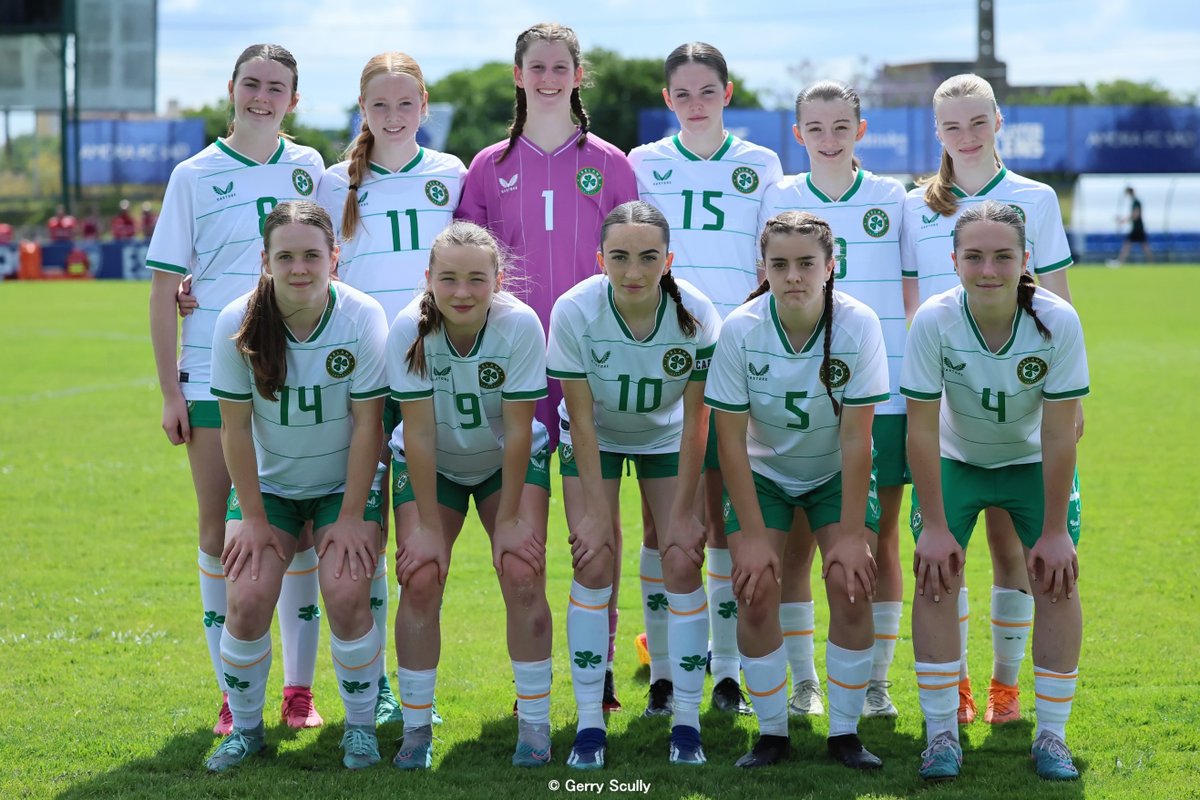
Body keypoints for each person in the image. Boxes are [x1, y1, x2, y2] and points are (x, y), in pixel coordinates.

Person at [456, 21, 638, 710]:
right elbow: (466, 272)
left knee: (600, 522)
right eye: (538, 65)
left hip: (597, 366)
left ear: (578, 75)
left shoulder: (613, 163)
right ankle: (531, 679)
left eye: (562, 65)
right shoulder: (487, 167)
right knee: (525, 531)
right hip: (519, 372)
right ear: (518, 74)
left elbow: (639, 264)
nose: (550, 76)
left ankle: (605, 668)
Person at [147, 43, 327, 737]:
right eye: (251, 84)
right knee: (220, 530)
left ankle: (298, 692)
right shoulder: (193, 174)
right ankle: (233, 691)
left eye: (276, 87)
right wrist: (169, 391)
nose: (261, 96)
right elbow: (166, 287)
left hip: (301, 376)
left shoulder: (310, 168)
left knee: (302, 530)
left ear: (294, 98)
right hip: (213, 377)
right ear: (231, 88)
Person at [901, 73, 1079, 727]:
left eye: (979, 121)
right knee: (945, 553)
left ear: (999, 120)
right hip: (945, 399)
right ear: (937, 132)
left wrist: (1068, 403)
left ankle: (1006, 690)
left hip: (1024, 400)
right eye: (952, 125)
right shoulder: (914, 203)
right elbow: (913, 299)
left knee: (1012, 550)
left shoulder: (1034, 198)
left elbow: (1057, 300)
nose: (966, 136)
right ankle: (960, 689)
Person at [203, 200, 390, 772]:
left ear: (335, 257)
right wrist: (254, 521)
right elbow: (233, 432)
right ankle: (247, 729)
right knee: (249, 598)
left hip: (343, 486)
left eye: (312, 254)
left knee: (346, 591)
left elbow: (368, 424)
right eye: (285, 256)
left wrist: (355, 514)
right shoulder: (237, 322)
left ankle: (360, 729)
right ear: (265, 261)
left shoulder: (361, 316)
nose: (299, 267)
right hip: (271, 489)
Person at [628, 42, 782, 717]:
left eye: (707, 91)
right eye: (682, 93)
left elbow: (768, 259)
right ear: (668, 100)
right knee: (663, 522)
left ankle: (724, 673)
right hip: (662, 353)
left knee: (720, 521)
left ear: (728, 92)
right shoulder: (644, 163)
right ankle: (663, 672)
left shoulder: (761, 163)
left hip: (734, 355)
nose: (695, 103)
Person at [315, 50, 467, 727]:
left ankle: (406, 683)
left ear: (425, 107)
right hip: (359, 377)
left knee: (416, 535)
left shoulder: (453, 174)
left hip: (433, 376)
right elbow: (296, 260)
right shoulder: (330, 182)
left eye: (407, 104)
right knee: (363, 531)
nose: (395, 116)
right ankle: (369, 681)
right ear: (363, 111)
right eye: (381, 105)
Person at [705, 211, 887, 770]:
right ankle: (772, 735)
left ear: (831, 267)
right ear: (763, 267)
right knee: (755, 586)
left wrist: (853, 535)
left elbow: (859, 440)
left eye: (807, 263)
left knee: (852, 583)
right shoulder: (741, 327)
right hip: (763, 475)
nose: (793, 276)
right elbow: (729, 441)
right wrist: (754, 537)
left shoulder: (858, 323)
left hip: (834, 471)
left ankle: (845, 734)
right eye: (779, 264)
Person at [548, 201, 720, 769]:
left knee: (680, 559)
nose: (634, 272)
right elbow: (581, 416)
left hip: (669, 436)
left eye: (649, 258)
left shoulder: (695, 311)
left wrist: (686, 515)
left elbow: (698, 421)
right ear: (600, 260)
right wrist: (597, 511)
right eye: (619, 258)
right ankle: (590, 726)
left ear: (668, 260)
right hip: (594, 433)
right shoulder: (575, 310)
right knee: (593, 560)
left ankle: (687, 722)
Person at [757, 80, 910, 720]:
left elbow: (909, 291)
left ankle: (873, 681)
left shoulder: (891, 197)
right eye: (815, 128)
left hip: (886, 393)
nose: (828, 138)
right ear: (798, 135)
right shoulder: (781, 196)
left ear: (861, 130)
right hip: (798, 393)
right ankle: (804, 681)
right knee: (795, 545)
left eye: (840, 126)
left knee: (881, 540)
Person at [386, 221, 553, 770]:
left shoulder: (519, 324)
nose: (462, 292)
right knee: (421, 575)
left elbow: (519, 427)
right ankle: (416, 728)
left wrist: (508, 519)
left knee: (521, 570)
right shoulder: (409, 327)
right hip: (434, 462)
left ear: (499, 280)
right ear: (428, 278)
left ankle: (533, 725)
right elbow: (421, 433)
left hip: (506, 460)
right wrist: (429, 527)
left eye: (477, 279)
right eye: (449, 278)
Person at [1114, 186, 1152, 265]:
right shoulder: (1135, 202)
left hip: (1137, 228)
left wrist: (1124, 220)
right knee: (1141, 245)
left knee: (1130, 245)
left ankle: (1120, 262)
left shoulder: (1136, 202)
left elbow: (1136, 215)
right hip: (1137, 227)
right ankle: (1151, 262)